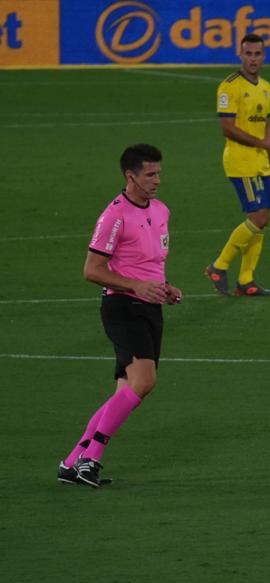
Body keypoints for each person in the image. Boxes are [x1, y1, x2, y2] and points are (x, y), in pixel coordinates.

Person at [59, 144, 182, 488]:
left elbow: (150, 265)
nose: (157, 180)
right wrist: (136, 287)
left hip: (149, 307)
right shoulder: (114, 216)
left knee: (126, 391)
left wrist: (164, 287)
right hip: (122, 307)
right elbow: (92, 270)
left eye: (159, 172)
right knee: (144, 382)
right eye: (150, 174)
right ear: (131, 176)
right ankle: (91, 459)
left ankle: (72, 462)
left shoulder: (160, 211)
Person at [204, 33, 270, 297]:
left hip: (259, 162)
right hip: (240, 161)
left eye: (257, 54)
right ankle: (218, 265)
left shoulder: (266, 86)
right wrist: (262, 146)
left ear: (264, 56)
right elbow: (227, 128)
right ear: (240, 55)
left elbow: (267, 126)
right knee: (259, 218)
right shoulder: (229, 86)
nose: (253, 59)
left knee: (260, 223)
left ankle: (246, 281)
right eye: (248, 54)